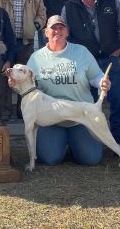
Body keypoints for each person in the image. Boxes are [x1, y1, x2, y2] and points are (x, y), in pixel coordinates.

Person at [10, 15, 111, 166]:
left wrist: (102, 82)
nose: (57, 31)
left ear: (67, 32)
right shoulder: (36, 58)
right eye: (53, 28)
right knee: (51, 158)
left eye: (61, 28)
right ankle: (63, 143)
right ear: (46, 33)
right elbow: (28, 88)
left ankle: (76, 143)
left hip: (80, 115)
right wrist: (15, 84)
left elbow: (95, 76)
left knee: (91, 159)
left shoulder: (81, 52)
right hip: (51, 119)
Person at [61, 0, 120, 149]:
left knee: (117, 101)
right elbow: (64, 37)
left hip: (110, 59)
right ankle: (91, 143)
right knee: (88, 103)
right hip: (85, 64)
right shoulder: (69, 7)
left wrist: (119, 50)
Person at [0, 0, 46, 119]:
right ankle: (5, 112)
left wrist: (35, 25)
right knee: (5, 78)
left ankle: (23, 111)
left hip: (25, 43)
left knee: (25, 78)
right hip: (4, 44)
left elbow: (42, 14)